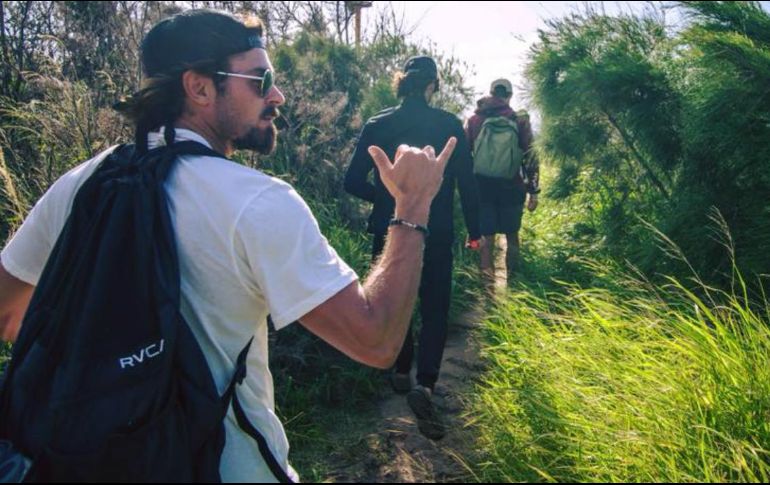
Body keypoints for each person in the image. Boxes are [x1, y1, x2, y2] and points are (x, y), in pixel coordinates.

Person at [0, 9, 455, 482]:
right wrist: (413, 204)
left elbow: (7, 314)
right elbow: (377, 341)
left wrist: (107, 369)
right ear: (199, 88)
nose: (278, 95)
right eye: (262, 79)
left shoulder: (80, 183)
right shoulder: (258, 202)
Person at [344, 56, 481, 440]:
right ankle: (427, 384)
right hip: (435, 231)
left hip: (391, 229)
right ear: (432, 85)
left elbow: (351, 182)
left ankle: (402, 371)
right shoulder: (449, 125)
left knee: (394, 299)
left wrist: (388, 199)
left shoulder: (378, 124)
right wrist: (475, 230)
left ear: (400, 83)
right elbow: (467, 184)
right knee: (435, 306)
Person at [465, 78, 540, 278]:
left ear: (490, 93)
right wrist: (533, 192)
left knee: (486, 238)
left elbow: (464, 155)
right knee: (512, 237)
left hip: (482, 187)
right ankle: (513, 290)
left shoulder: (474, 120)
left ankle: (487, 291)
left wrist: (465, 189)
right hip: (512, 187)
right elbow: (531, 157)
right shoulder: (519, 120)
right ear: (509, 95)